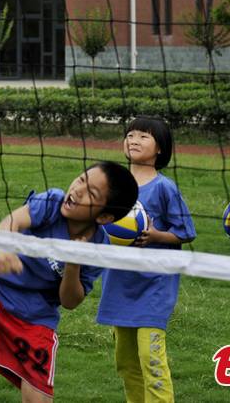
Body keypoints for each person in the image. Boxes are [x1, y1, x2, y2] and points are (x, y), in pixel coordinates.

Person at [0, 161, 139, 403]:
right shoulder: (52, 202)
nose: (77, 189)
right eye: (81, 179)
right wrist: (5, 249)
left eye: (91, 193)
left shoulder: (98, 247)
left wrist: (73, 263)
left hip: (34, 317)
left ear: (104, 216)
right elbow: (11, 222)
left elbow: (70, 302)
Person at [95, 116, 196, 403]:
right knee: (126, 362)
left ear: (160, 149)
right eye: (130, 135)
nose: (134, 140)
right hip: (119, 283)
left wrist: (154, 236)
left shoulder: (165, 188)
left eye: (143, 136)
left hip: (155, 284)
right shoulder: (113, 184)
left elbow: (186, 232)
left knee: (150, 357)